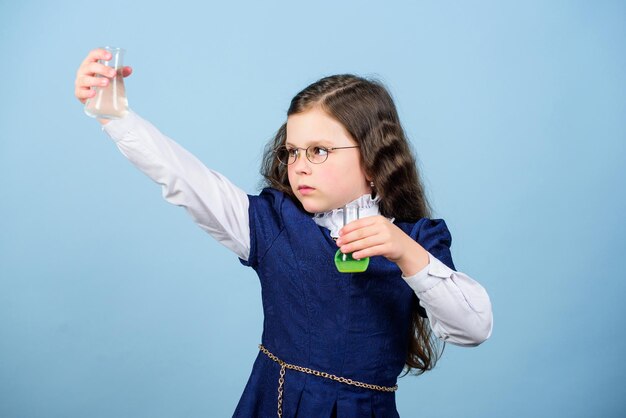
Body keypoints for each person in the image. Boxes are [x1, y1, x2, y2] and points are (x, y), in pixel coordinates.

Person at [74, 48, 493, 418]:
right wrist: (115, 116)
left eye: (319, 150)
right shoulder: (271, 224)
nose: (300, 166)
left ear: (372, 158)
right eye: (292, 151)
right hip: (271, 405)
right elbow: (185, 177)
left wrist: (406, 253)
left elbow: (473, 329)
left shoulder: (418, 240)